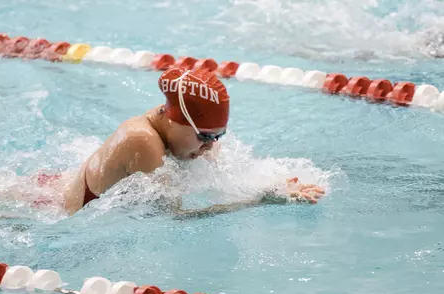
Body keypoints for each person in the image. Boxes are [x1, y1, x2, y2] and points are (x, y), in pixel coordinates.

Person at [35, 66, 325, 217]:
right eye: (205, 137)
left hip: (54, 186)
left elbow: (227, 174)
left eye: (218, 136)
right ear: (176, 121)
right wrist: (257, 203)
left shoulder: (176, 132)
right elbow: (171, 219)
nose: (210, 147)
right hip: (48, 209)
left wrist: (275, 185)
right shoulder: (143, 142)